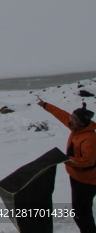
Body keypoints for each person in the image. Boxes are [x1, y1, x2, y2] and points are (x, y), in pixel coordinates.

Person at [37, 98, 96, 233]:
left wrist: (64, 159)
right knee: (80, 211)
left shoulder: (90, 138)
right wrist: (46, 105)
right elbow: (62, 114)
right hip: (76, 177)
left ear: (82, 122)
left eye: (74, 119)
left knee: (82, 213)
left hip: (87, 181)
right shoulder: (77, 128)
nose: (70, 120)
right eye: (72, 118)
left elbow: (88, 162)